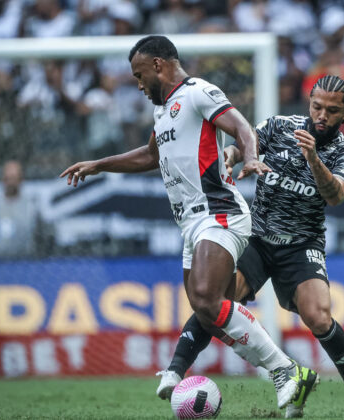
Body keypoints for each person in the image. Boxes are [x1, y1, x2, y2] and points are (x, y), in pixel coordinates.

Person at [60, 35, 313, 410]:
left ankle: (284, 370)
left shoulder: (198, 92)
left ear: (159, 65)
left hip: (220, 212)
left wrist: (251, 157)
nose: (140, 85)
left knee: (209, 301)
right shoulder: (163, 111)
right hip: (190, 224)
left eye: (140, 75)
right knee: (210, 311)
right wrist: (99, 165)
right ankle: (284, 384)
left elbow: (242, 127)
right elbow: (149, 155)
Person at [156, 75, 344, 418]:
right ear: (309, 102)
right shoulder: (280, 126)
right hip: (257, 237)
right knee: (216, 299)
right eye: (317, 106)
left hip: (302, 244)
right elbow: (243, 144)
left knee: (319, 317)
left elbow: (336, 195)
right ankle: (175, 370)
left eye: (332, 110)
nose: (322, 115)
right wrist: (233, 157)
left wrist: (313, 159)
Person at [0, 160, 41, 259]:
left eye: (14, 178)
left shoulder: (30, 207)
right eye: (7, 178)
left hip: (22, 262)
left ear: (21, 180)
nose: (10, 183)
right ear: (3, 179)